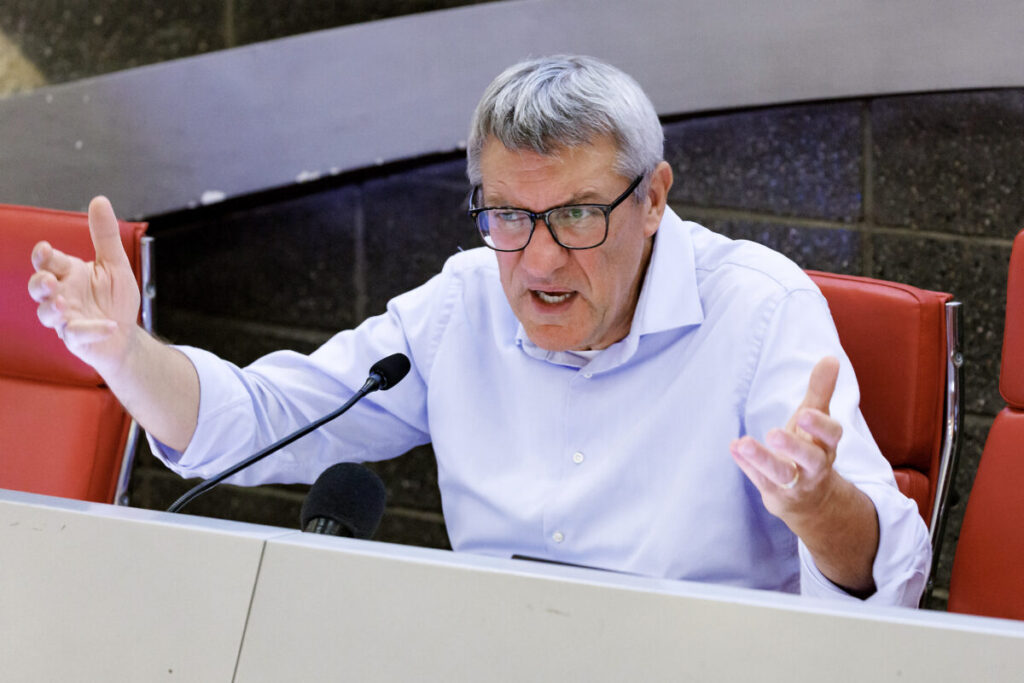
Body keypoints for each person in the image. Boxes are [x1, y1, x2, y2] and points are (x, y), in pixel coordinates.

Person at [27, 55, 929, 605]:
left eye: (576, 215)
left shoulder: (759, 310)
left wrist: (816, 505)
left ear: (653, 197)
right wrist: (123, 351)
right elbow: (259, 418)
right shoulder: (463, 302)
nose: (538, 260)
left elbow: (889, 575)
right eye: (506, 216)